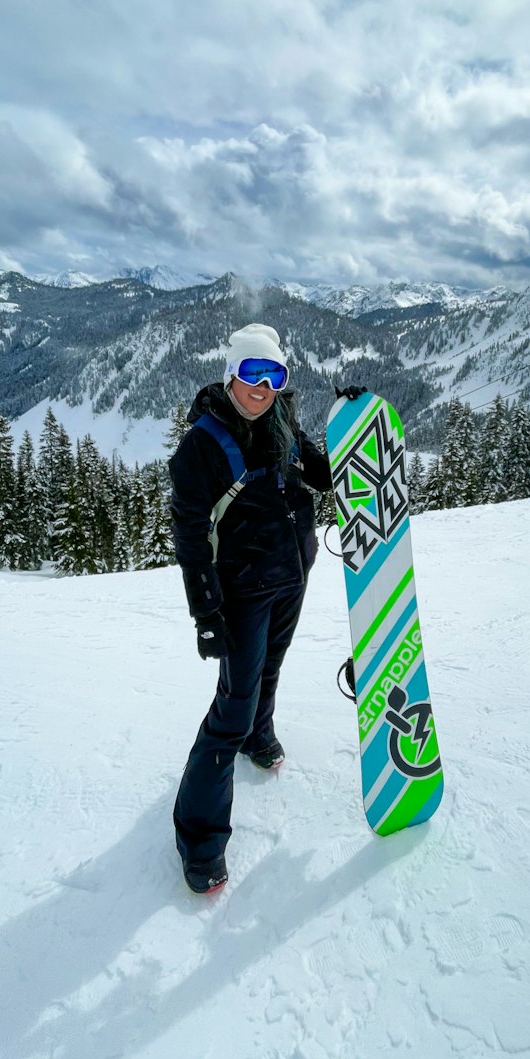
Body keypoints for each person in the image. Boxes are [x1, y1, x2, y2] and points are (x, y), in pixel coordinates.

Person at [169, 323, 342, 894]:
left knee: (270, 669)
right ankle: (199, 838)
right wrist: (206, 614)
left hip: (292, 572)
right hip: (240, 590)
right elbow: (191, 534)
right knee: (231, 707)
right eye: (252, 374)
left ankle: (258, 736)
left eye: (275, 376)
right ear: (231, 376)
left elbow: (320, 472)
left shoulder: (281, 425)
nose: (263, 387)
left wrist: (351, 425)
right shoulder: (203, 445)